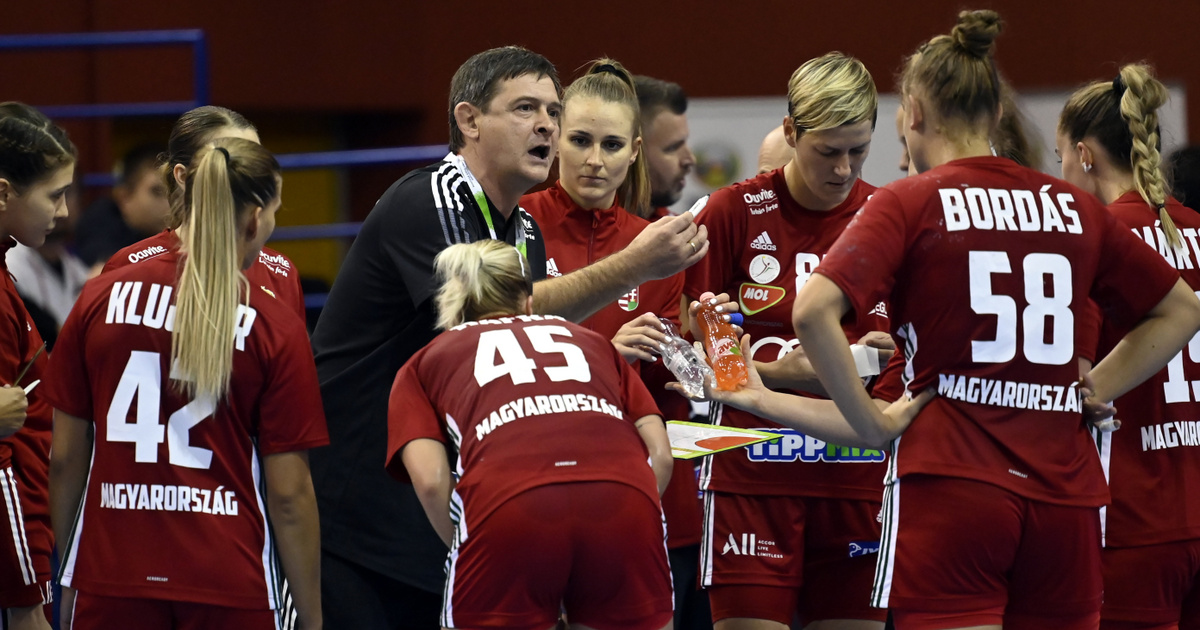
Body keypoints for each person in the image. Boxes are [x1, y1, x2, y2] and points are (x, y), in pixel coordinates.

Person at [792, 11, 1200, 629]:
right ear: (998, 115)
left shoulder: (909, 199)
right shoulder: (1071, 205)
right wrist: (1093, 389)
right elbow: (1181, 309)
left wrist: (870, 421)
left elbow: (812, 309)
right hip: (1066, 495)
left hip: (953, 483)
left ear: (915, 115)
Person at [309, 45, 707, 629]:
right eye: (525, 108)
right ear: (469, 121)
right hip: (355, 510)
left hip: (441, 509)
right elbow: (481, 327)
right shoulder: (430, 198)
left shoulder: (521, 230)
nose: (546, 124)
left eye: (552, 110)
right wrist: (633, 265)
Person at [44, 138, 326, 630]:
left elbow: (66, 456)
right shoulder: (273, 324)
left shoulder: (96, 296)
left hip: (111, 573)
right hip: (228, 577)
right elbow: (289, 494)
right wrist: (312, 615)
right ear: (256, 217)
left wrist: (69, 566)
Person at [682, 52, 889, 630]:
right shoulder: (730, 212)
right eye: (828, 151)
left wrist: (880, 357)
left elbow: (903, 375)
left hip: (858, 477)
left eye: (859, 150)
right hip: (753, 476)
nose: (844, 169)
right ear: (792, 132)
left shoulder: (887, 216)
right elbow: (701, 363)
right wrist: (786, 373)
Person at [386, 239, 673, 630]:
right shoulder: (592, 343)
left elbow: (434, 483)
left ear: (455, 301)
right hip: (624, 498)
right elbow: (660, 454)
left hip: (510, 504)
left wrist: (467, 541)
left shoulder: (424, 362)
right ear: (529, 301)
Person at [521, 57, 711, 630]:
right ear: (554, 141)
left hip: (641, 496)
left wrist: (702, 347)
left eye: (610, 145)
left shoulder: (662, 245)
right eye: (579, 140)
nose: (594, 161)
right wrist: (607, 348)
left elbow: (690, 387)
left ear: (634, 151)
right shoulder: (516, 223)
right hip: (533, 486)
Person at [1057, 63, 1200, 630]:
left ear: (1086, 154)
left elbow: (1076, 381)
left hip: (1134, 521)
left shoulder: (1096, 240)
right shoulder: (1197, 227)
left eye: (1062, 152)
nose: (1060, 167)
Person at [101, 107, 305, 319]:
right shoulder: (127, 267)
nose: (249, 179)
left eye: (256, 165)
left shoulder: (281, 274)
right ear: (183, 176)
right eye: (230, 165)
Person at [0, 102, 74, 630]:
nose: (65, 211)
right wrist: (25, 590)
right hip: (15, 519)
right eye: (54, 194)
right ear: (5, 193)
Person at [74, 144, 170, 270]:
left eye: (173, 192)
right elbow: (104, 272)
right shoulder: (99, 223)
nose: (169, 203)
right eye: (157, 192)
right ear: (124, 197)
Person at [635, 75, 696, 215]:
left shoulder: (684, 235)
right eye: (673, 148)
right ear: (631, 152)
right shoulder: (580, 233)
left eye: (685, 142)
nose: (690, 160)